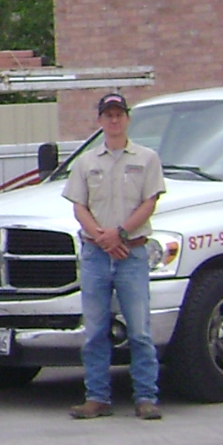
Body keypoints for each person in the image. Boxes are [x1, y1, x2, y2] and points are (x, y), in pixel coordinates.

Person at [66, 91, 167, 419]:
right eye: (108, 115)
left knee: (139, 330)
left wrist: (120, 233)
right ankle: (97, 397)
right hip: (96, 255)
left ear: (127, 119)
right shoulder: (86, 162)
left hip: (132, 254)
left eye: (119, 114)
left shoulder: (147, 158)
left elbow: (149, 202)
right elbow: (79, 206)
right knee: (94, 330)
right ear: (99, 121)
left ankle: (146, 397)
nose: (113, 120)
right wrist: (102, 237)